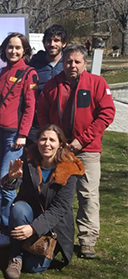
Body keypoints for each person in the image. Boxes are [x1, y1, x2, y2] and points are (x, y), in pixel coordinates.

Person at [37, 44, 115, 259]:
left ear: (85, 63)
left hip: (87, 149)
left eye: (77, 62)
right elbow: (42, 112)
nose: (72, 65)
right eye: (68, 61)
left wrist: (83, 140)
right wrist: (53, 138)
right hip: (59, 151)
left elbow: (107, 113)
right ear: (63, 62)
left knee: (87, 194)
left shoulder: (96, 83)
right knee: (54, 194)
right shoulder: (53, 85)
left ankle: (88, 240)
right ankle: (53, 234)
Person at [3, 125, 85, 279]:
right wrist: (11, 178)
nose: (47, 144)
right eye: (43, 139)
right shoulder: (28, 159)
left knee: (34, 268)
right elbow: (11, 185)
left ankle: (30, 248)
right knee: (18, 208)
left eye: (52, 140)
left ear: (60, 144)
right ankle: (15, 257)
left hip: (54, 225)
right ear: (37, 141)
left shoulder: (69, 168)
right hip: (28, 213)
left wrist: (33, 229)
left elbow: (59, 208)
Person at [0, 33, 38, 247]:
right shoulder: (1, 73)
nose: (13, 51)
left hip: (13, 135)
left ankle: (7, 227)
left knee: (7, 181)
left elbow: (30, 106)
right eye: (10, 47)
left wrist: (23, 134)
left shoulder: (29, 73)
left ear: (24, 50)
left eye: (18, 48)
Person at [29, 24, 68, 97]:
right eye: (49, 41)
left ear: (64, 44)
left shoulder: (69, 63)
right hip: (39, 107)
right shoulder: (33, 64)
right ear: (44, 43)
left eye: (56, 40)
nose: (52, 44)